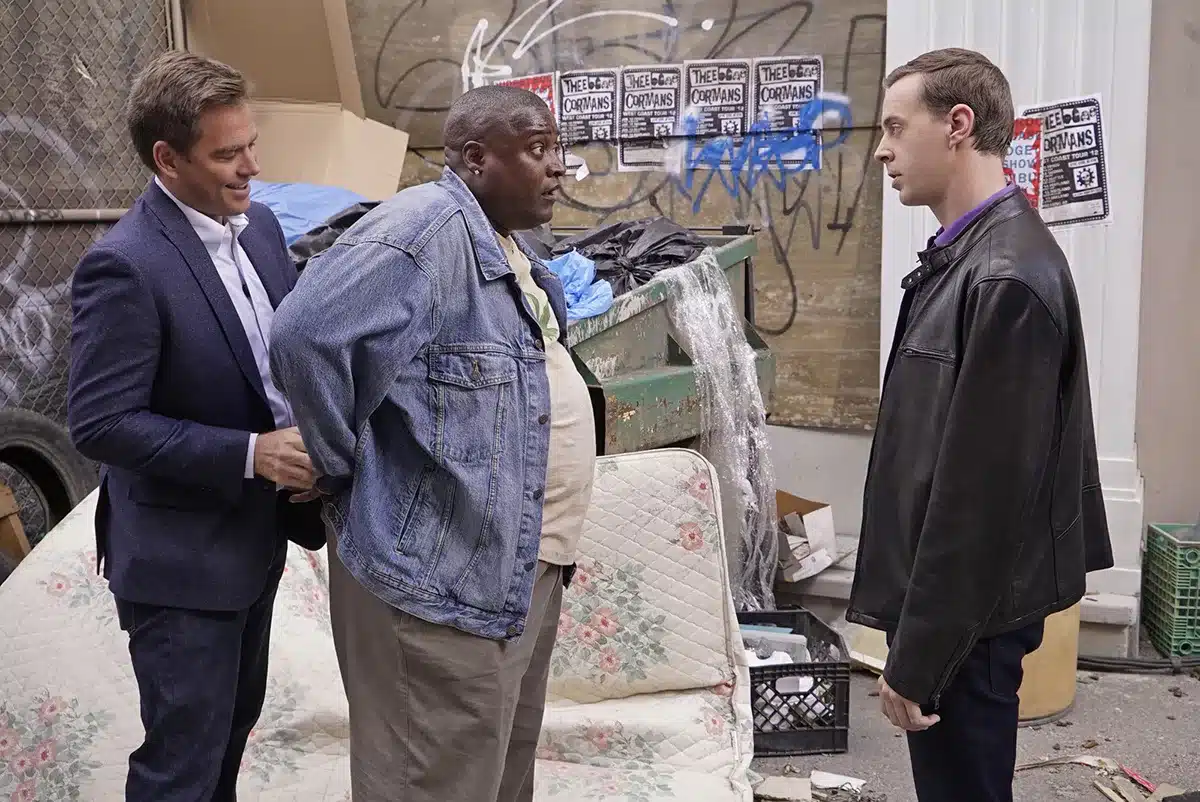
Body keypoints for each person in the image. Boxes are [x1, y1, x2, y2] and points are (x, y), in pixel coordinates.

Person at [269, 85, 594, 802]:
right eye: (537, 149)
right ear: (476, 159)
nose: (557, 166)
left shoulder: (505, 241)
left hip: (511, 571)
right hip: (437, 582)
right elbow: (303, 334)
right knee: (432, 780)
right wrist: (338, 463)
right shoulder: (422, 232)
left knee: (494, 774)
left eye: (557, 148)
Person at [847, 47, 1114, 802]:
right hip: (960, 612)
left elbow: (980, 503)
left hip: (970, 622)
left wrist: (920, 656)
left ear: (958, 125)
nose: (882, 149)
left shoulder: (1004, 277)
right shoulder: (970, 258)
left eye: (896, 127)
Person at [67, 50, 325, 802]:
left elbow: (275, 368)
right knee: (182, 765)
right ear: (167, 158)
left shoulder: (261, 226)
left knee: (230, 736)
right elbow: (101, 422)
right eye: (226, 154)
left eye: (252, 144)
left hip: (254, 539)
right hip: (180, 563)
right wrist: (252, 454)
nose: (251, 167)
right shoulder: (125, 264)